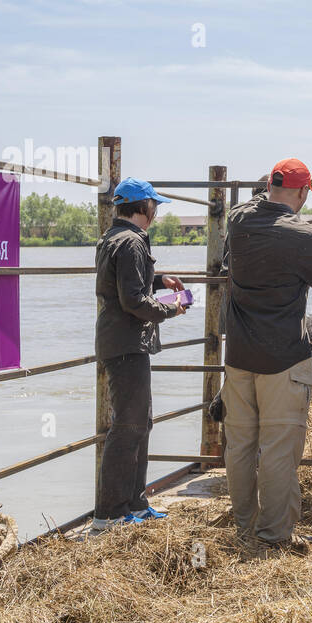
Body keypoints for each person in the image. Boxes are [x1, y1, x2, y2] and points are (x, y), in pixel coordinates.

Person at [222, 158, 312, 552]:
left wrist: (290, 185)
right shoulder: (301, 235)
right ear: (301, 193)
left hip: (239, 355)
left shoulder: (238, 220)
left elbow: (258, 200)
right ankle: (274, 534)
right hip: (282, 358)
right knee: (280, 449)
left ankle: (245, 526)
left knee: (241, 445)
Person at [94, 177, 188, 532]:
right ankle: (110, 514)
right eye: (155, 205)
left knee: (139, 423)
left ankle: (134, 503)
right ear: (143, 207)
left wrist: (158, 280)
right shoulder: (132, 242)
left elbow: (125, 283)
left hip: (120, 342)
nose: (157, 211)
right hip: (126, 344)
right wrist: (171, 309)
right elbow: (132, 300)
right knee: (128, 426)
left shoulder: (113, 238)